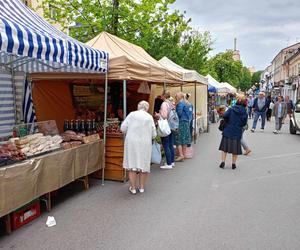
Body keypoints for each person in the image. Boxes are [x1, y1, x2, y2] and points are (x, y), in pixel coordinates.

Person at [121, 101, 156, 194]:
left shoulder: (132, 114)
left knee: (132, 165)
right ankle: (141, 187)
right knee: (143, 165)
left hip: (132, 143)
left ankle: (133, 188)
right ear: (147, 108)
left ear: (138, 106)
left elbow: (123, 128)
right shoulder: (149, 117)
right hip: (144, 143)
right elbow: (154, 134)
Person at [219, 97, 248, 170]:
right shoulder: (245, 112)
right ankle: (233, 164)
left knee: (224, 148)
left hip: (228, 130)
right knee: (235, 149)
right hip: (237, 131)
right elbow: (244, 123)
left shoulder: (231, 109)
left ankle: (223, 162)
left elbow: (225, 115)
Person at [157, 90, 176, 170]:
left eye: (161, 94)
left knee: (166, 145)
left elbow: (164, 116)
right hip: (171, 125)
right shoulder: (170, 103)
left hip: (166, 126)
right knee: (170, 144)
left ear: (164, 95)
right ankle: (171, 161)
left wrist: (158, 114)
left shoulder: (164, 103)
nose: (161, 95)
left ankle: (168, 164)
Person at [175, 92, 191, 162]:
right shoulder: (187, 103)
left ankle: (181, 155)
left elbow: (179, 113)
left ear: (179, 97)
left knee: (179, 139)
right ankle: (183, 155)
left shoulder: (180, 103)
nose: (176, 98)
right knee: (184, 140)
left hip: (181, 122)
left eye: (176, 97)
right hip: (186, 122)